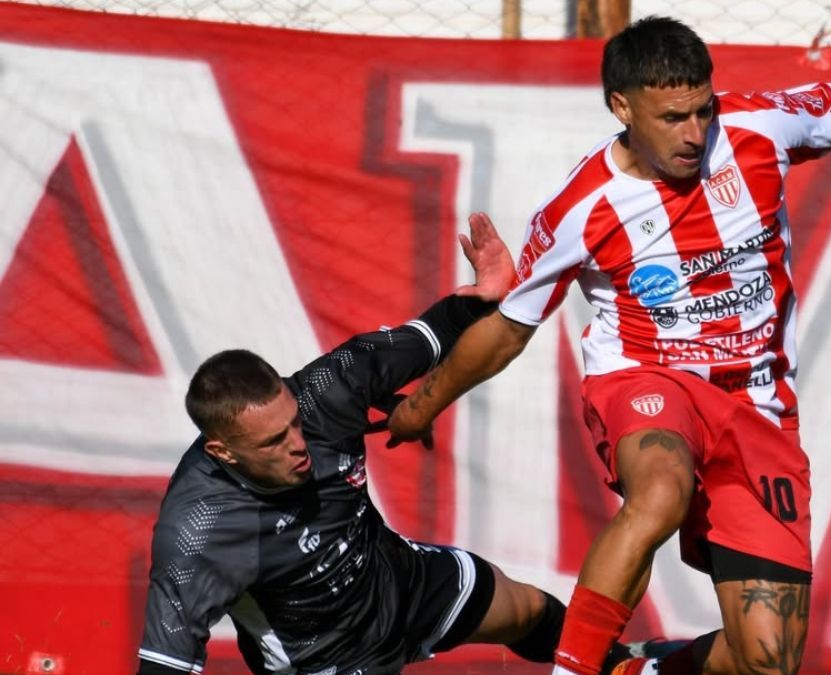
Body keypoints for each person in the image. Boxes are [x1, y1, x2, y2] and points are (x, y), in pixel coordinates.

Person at [387, 15, 831, 675]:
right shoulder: (581, 206)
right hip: (647, 383)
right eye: (672, 118)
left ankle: (648, 665)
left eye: (702, 110)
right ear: (620, 106)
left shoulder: (757, 125)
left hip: (758, 411)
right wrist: (423, 403)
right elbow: (509, 329)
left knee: (767, 657)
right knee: (660, 492)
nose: (694, 133)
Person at [137, 217, 572, 674]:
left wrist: (486, 298)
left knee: (527, 610)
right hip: (328, 660)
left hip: (397, 578)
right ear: (223, 453)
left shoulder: (328, 390)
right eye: (273, 442)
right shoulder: (199, 531)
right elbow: (163, 666)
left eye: (293, 423)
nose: (297, 444)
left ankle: (624, 665)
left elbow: (433, 332)